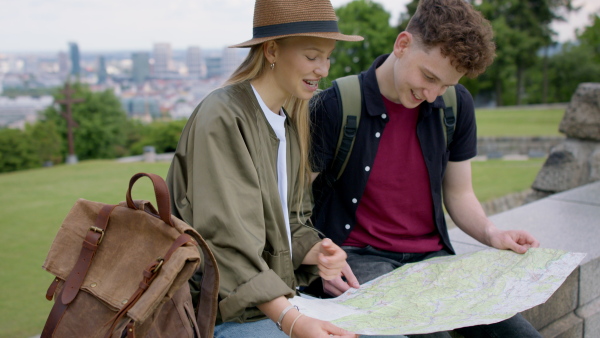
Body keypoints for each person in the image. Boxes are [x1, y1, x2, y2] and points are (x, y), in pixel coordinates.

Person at [309, 0, 541, 337]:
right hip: (359, 259)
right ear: (402, 45)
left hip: (433, 261)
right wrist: (319, 260)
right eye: (429, 76)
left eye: (444, 85)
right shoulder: (335, 106)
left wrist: (493, 234)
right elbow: (291, 204)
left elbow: (460, 193)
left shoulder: (456, 104)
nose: (432, 95)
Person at [166, 0, 363, 337]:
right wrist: (292, 321)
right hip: (222, 314)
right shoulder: (223, 117)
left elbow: (291, 220)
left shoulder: (289, 122)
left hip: (276, 304)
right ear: (272, 50)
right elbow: (225, 246)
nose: (324, 69)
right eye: (312, 56)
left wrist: (316, 252)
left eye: (327, 57)